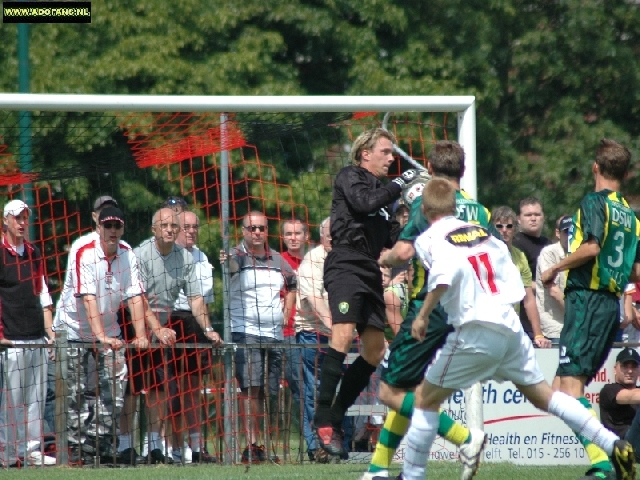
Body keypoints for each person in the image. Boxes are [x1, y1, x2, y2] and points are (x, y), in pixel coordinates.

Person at [397, 177, 635, 480]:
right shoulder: (485, 234)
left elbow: (443, 277)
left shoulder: (430, 237)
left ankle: (412, 475)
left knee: (423, 400)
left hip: (475, 330)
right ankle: (612, 443)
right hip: (510, 329)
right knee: (547, 397)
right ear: (455, 206)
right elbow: (513, 279)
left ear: (426, 210)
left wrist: (423, 315)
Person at [365, 140, 491, 480]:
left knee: (390, 389)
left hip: (431, 310)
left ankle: (464, 437)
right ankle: (378, 469)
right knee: (412, 388)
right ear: (463, 172)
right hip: (469, 312)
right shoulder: (481, 211)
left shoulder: (428, 205)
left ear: (431, 172)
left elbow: (404, 253)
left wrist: (384, 257)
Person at [312, 127, 417, 456]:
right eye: (386, 152)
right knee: (342, 336)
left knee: (374, 351)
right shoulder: (350, 176)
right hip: (345, 264)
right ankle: (322, 418)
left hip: (370, 271)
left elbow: (395, 239)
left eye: (392, 153)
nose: (391, 158)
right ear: (364, 153)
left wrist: (421, 210)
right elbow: (363, 203)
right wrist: (400, 183)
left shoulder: (387, 198)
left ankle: (337, 414)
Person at [541, 139, 640, 480]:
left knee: (569, 391)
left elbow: (592, 247)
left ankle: (607, 459)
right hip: (609, 304)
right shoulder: (631, 215)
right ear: (625, 174)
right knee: (559, 391)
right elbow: (635, 271)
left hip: (586, 299)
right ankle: (609, 457)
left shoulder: (593, 202)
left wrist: (556, 268)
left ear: (595, 168)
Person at [55, 206, 150, 465]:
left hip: (109, 330)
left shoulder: (128, 254)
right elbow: (88, 298)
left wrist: (141, 334)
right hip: (74, 329)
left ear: (122, 228)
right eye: (107, 226)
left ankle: (104, 444)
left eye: (117, 226)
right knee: (75, 393)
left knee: (117, 387)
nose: (112, 231)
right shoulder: (83, 252)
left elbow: (135, 296)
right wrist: (100, 337)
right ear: (98, 228)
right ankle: (76, 450)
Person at [134, 207, 221, 464]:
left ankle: (176, 450)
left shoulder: (185, 257)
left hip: (166, 325)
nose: (171, 230)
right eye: (165, 226)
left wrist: (207, 329)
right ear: (154, 229)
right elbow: (139, 299)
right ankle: (147, 448)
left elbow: (195, 300)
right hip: (135, 322)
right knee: (144, 391)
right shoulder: (141, 255)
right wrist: (155, 329)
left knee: (170, 389)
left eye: (174, 226)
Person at [221, 211, 296, 463]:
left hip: (274, 334)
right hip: (246, 331)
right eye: (251, 228)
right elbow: (229, 266)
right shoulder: (235, 256)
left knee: (268, 391)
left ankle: (264, 443)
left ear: (267, 231)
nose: (257, 233)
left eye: (261, 228)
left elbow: (293, 283)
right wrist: (226, 259)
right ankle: (251, 445)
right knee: (250, 389)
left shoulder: (277, 259)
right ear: (243, 231)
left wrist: (288, 308)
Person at [0, 199, 55, 467]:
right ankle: (8, 453)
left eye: (25, 218)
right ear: (5, 221)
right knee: (11, 399)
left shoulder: (33, 252)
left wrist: (50, 331)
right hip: (11, 338)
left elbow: (43, 292)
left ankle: (32, 449)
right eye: (17, 218)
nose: (22, 223)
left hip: (36, 336)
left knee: (36, 397)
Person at [167, 210, 218, 463]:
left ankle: (197, 447)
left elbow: (204, 302)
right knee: (171, 390)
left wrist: (208, 330)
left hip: (196, 324)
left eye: (195, 226)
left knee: (194, 391)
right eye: (186, 226)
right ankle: (172, 448)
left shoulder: (202, 258)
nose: (191, 231)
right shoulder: (165, 255)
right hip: (170, 321)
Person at [491, 206, 551, 348]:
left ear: (515, 229)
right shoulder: (485, 253)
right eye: (499, 226)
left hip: (513, 325)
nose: (504, 230)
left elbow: (528, 298)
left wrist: (538, 334)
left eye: (509, 226)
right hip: (490, 324)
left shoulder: (520, 256)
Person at [280, 218, 308, 422]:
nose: (293, 238)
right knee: (298, 386)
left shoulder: (315, 260)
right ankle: (313, 438)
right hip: (289, 333)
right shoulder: (277, 261)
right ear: (283, 238)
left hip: (314, 331)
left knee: (317, 386)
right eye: (289, 234)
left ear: (306, 236)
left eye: (297, 233)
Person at [513, 197, 552, 339]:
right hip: (525, 320)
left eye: (537, 214)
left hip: (548, 317)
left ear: (543, 217)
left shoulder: (548, 243)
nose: (533, 218)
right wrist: (545, 286)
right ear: (518, 219)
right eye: (528, 215)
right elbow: (520, 282)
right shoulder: (516, 244)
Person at [535, 215, 572, 343]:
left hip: (577, 328)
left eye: (574, 231)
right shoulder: (549, 252)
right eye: (567, 232)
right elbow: (553, 291)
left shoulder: (580, 254)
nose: (570, 235)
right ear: (558, 233)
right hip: (555, 328)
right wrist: (578, 316)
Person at [600, 348, 640, 442]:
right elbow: (630, 396)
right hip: (620, 445)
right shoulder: (608, 390)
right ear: (615, 369)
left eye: (634, 366)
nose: (630, 371)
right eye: (625, 366)